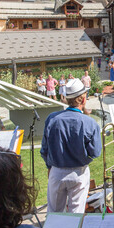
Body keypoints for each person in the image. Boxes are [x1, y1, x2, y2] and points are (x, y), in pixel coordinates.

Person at [41, 79, 102, 213]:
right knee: (76, 214)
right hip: (78, 173)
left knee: (54, 215)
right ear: (83, 99)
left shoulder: (52, 118)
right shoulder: (90, 123)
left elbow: (44, 150)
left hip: (56, 171)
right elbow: (95, 152)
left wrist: (49, 166)